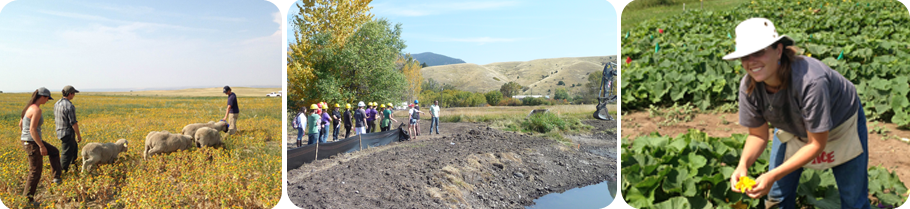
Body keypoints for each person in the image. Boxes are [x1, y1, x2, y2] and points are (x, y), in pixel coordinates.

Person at [724, 18, 869, 209]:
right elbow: (757, 135)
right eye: (745, 56)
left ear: (779, 50)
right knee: (777, 197)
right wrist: (743, 164)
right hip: (791, 128)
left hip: (841, 125)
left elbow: (816, 144)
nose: (751, 62)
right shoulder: (749, 87)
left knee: (853, 200)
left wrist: (772, 175)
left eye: (758, 52)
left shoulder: (810, 81)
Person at [20, 87, 63, 203]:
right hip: (32, 142)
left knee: (54, 151)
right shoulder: (36, 110)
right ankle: (27, 200)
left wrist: (25, 137)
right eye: (47, 98)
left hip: (29, 140)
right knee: (35, 171)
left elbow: (21, 124)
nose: (47, 101)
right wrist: (41, 146)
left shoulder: (28, 108)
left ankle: (56, 177)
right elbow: (32, 130)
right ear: (43, 97)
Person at [54, 85, 82, 173]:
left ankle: (74, 167)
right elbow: (73, 122)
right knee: (66, 153)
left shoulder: (57, 103)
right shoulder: (69, 106)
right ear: (70, 94)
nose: (74, 96)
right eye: (73, 94)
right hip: (68, 133)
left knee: (74, 149)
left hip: (60, 131)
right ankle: (61, 172)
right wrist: (78, 135)